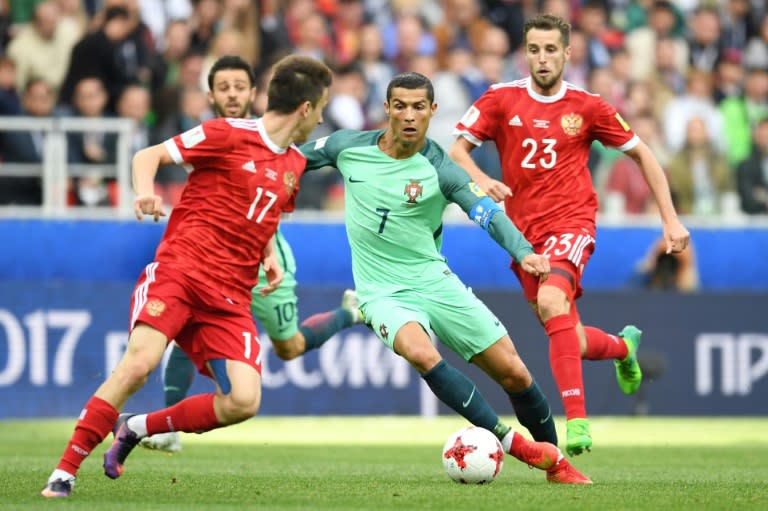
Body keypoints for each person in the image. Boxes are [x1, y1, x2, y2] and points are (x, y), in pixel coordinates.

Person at [40, 54, 334, 498]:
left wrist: (269, 254)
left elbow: (265, 214)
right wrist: (144, 193)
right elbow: (148, 154)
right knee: (139, 365)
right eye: (322, 107)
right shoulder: (225, 134)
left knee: (243, 400)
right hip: (182, 270)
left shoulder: (293, 164)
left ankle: (137, 427)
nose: (321, 118)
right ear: (306, 109)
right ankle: (63, 471)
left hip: (231, 293)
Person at [300, 71, 591, 484]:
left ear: (433, 111)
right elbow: (288, 161)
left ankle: (558, 464)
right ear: (386, 109)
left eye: (419, 107)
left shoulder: (441, 168)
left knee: (515, 374)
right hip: (381, 291)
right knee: (422, 353)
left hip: (435, 282)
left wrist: (523, 251)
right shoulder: (348, 146)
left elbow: (487, 213)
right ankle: (515, 445)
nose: (409, 115)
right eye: (400, 105)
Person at [449, 13, 690, 457]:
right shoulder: (501, 99)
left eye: (550, 50)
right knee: (569, 336)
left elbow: (644, 155)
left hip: (572, 223)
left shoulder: (589, 106)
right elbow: (457, 150)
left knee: (551, 301)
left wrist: (670, 219)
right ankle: (622, 347)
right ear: (526, 54)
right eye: (534, 50)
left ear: (567, 53)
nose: (542, 59)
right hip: (523, 239)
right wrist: (480, 178)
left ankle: (577, 423)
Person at [140, 55, 363, 453]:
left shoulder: (280, 139)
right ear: (211, 94)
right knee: (182, 328)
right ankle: (164, 424)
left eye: (239, 86)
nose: (231, 93)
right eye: (223, 87)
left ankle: (348, 313)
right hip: (212, 264)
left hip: (266, 258)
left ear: (255, 93)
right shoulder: (212, 136)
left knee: (289, 347)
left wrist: (269, 254)